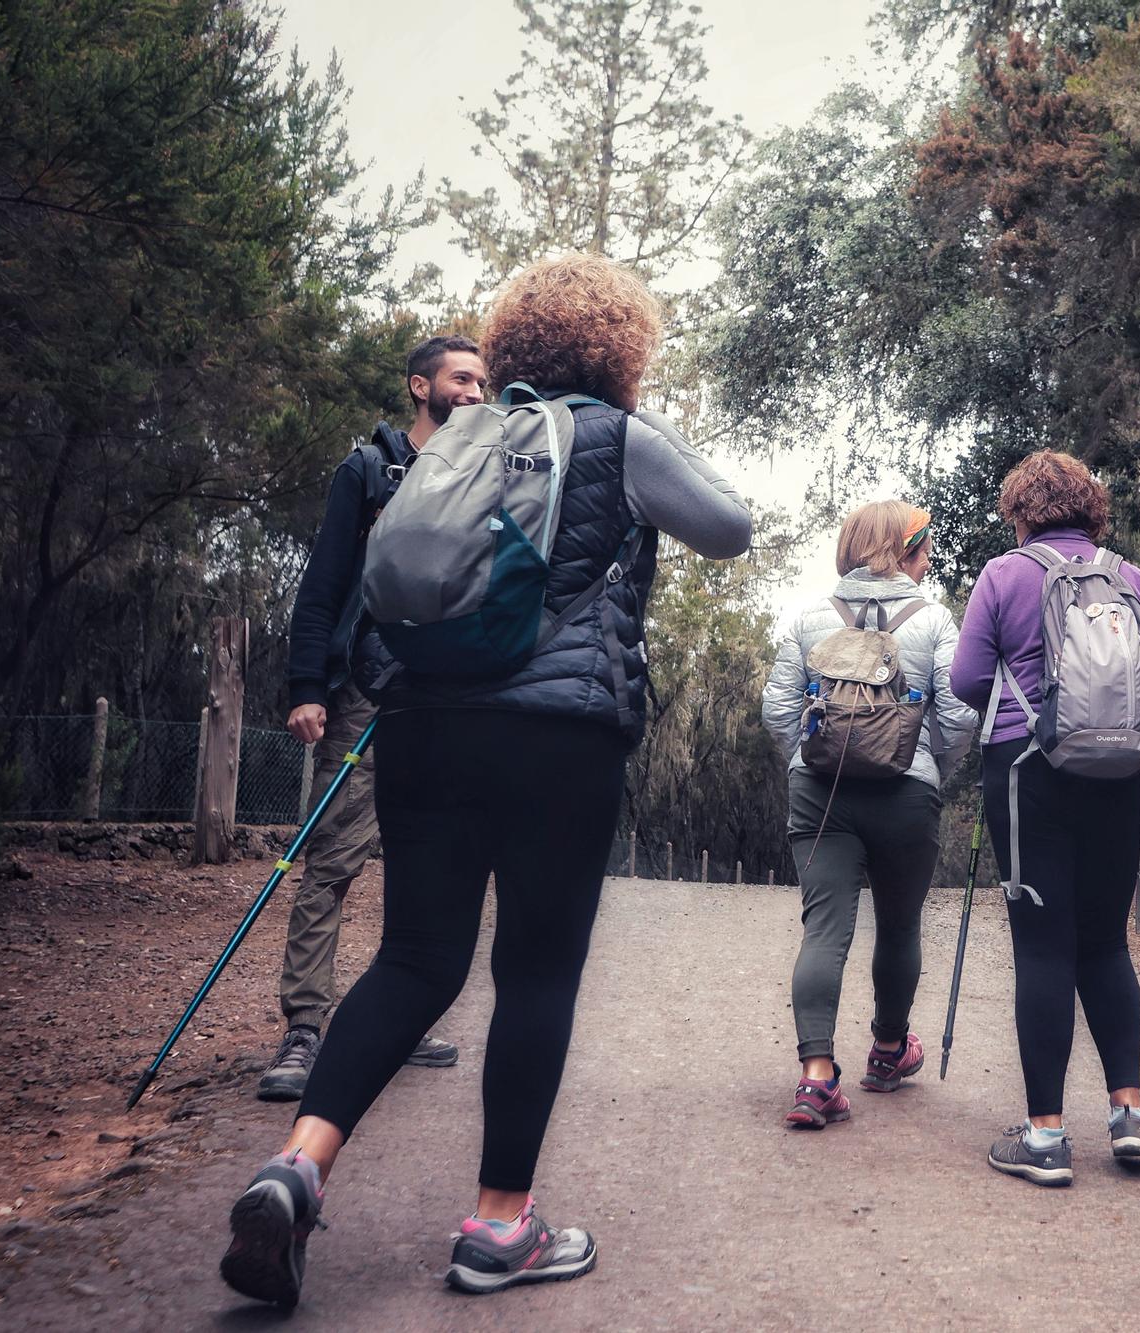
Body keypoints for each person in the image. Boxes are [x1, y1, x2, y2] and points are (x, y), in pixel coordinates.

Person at [219, 254, 753, 1308]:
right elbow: (731, 530)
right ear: (620, 348)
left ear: (508, 350)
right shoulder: (612, 434)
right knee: (537, 971)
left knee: (416, 957)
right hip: (559, 736)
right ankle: (499, 1225)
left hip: (423, 723)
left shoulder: (451, 436)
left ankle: (299, 1164)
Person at [258, 334, 488, 1101]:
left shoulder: (486, 473)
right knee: (332, 857)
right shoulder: (367, 470)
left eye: (485, 381)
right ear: (419, 385)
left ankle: (401, 1013)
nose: (477, 391)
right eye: (462, 378)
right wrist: (305, 686)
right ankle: (304, 1028)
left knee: (425, 860)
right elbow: (322, 584)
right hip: (366, 689)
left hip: (451, 696)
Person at [952, 450, 1140, 1187]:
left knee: (1043, 947)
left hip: (1028, 775)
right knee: (1105, 944)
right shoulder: (1129, 577)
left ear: (1020, 509)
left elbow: (966, 681)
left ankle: (1045, 1137)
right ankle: (1129, 1112)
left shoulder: (1004, 575)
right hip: (1117, 775)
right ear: (1092, 506)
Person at [760, 500, 977, 1128]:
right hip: (907, 795)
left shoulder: (808, 617)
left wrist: (810, 760)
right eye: (925, 544)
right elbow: (962, 712)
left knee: (823, 930)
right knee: (901, 926)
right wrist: (927, 762)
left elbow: (778, 711)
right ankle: (886, 1052)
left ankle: (814, 1079)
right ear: (904, 550)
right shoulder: (934, 621)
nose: (930, 555)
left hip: (819, 791)